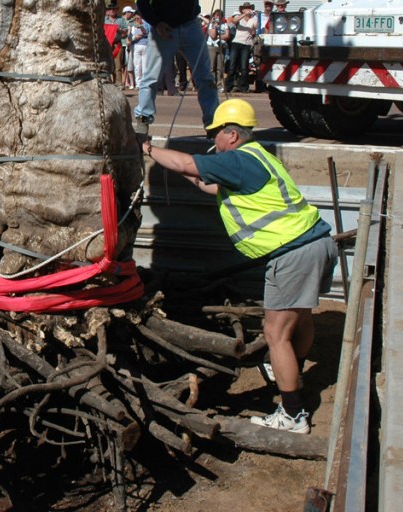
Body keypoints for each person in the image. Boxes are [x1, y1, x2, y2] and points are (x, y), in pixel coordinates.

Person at [138, 99, 338, 434]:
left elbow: (189, 162)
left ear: (231, 134)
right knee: (299, 319)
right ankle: (293, 370)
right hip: (317, 244)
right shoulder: (258, 157)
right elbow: (206, 181)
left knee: (275, 334)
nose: (213, 140)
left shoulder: (238, 160)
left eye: (216, 133)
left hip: (293, 255)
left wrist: (147, 148)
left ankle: (292, 414)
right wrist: (189, 172)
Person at [133, 0, 220, 135]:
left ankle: (213, 122)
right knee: (151, 77)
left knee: (205, 77)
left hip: (191, 25)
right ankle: (143, 119)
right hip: (163, 26)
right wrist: (156, 23)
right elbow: (141, 3)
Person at [226, 3, 258, 93]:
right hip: (236, 43)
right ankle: (228, 86)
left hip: (246, 44)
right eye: (246, 8)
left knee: (244, 67)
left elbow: (255, 28)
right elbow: (234, 21)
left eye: (249, 8)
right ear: (242, 10)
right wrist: (244, 15)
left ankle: (244, 87)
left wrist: (253, 16)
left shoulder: (254, 18)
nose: (248, 9)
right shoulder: (239, 16)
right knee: (232, 65)